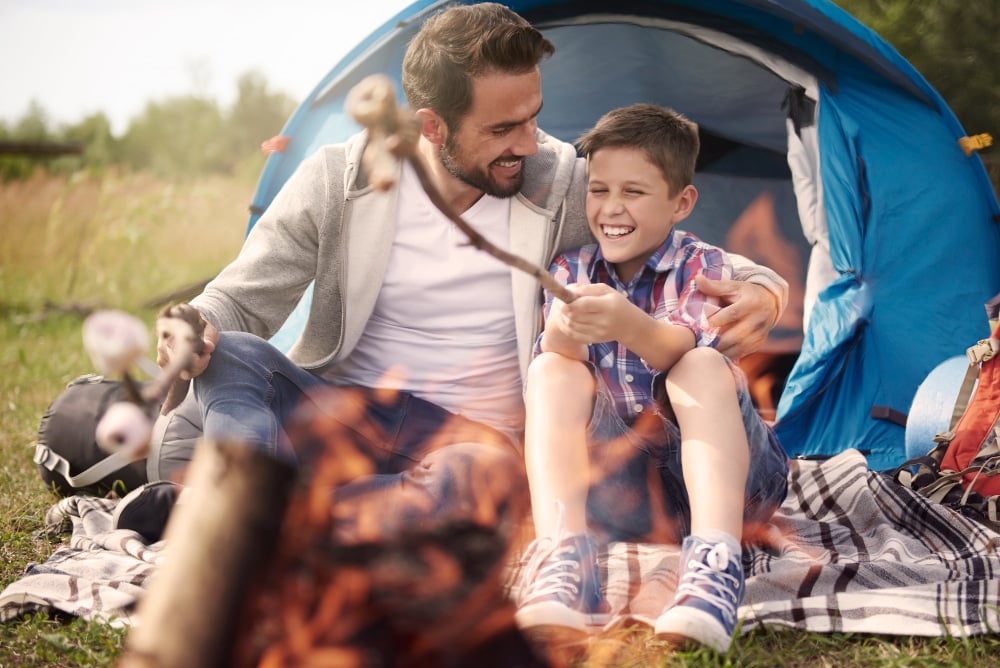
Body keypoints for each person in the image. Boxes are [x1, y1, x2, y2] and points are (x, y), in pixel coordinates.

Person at [156, 3, 787, 545]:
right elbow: (237, 301)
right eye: (503, 129)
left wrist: (765, 289)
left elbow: (671, 239)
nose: (529, 142)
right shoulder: (338, 181)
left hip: (473, 445)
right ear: (431, 126)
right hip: (344, 415)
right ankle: (259, 499)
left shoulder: (561, 183)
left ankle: (253, 521)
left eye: (533, 116)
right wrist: (196, 326)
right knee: (232, 355)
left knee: (474, 485)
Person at [513, 103, 789, 653]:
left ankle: (714, 564)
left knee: (701, 365)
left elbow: (681, 347)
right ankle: (565, 558)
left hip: (732, 488)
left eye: (633, 192)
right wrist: (564, 329)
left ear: (680, 203)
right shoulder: (570, 268)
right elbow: (558, 351)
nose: (611, 208)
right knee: (550, 368)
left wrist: (628, 323)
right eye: (599, 190)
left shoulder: (701, 265)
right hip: (628, 498)